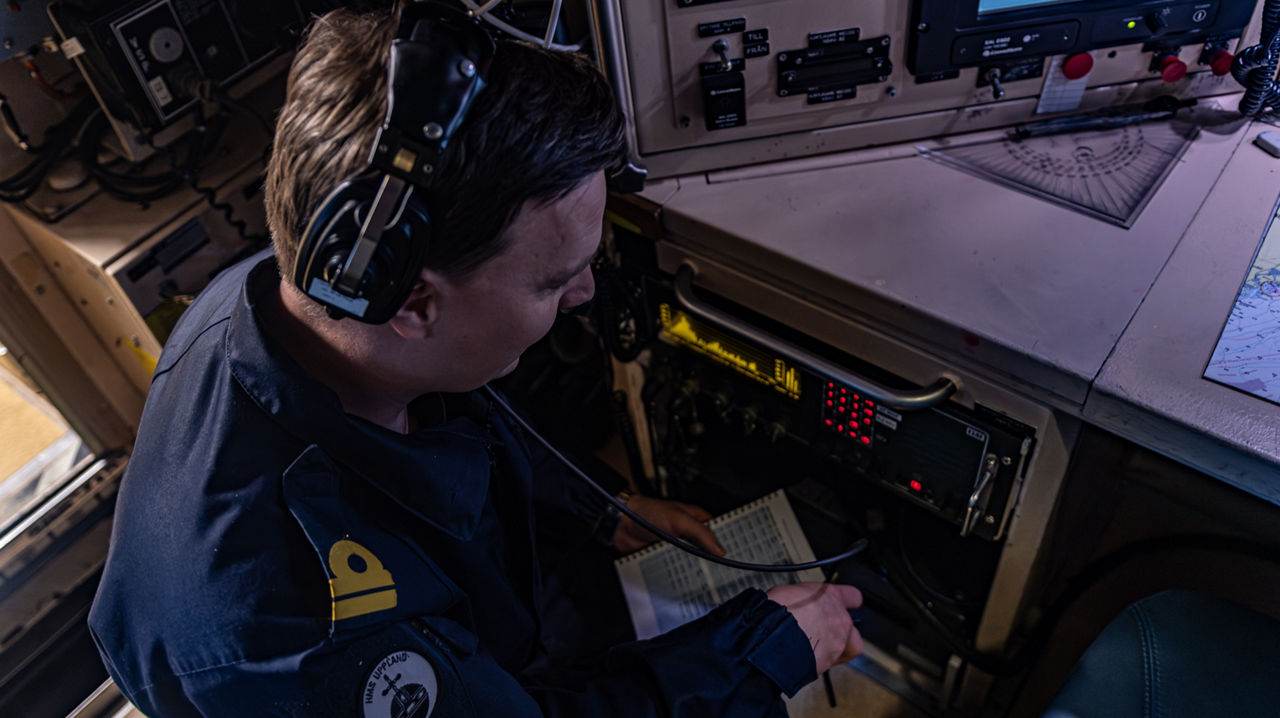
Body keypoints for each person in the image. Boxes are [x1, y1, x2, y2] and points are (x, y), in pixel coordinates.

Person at [88, 4, 864, 716]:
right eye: (555, 279)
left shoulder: (291, 292)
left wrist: (598, 510)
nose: (585, 294)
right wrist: (759, 658)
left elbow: (454, 420)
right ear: (414, 305)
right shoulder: (310, 640)